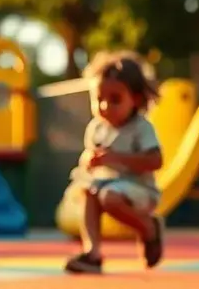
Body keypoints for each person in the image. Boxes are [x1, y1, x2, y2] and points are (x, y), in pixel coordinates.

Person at [64, 51, 165, 275]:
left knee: (108, 196)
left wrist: (116, 158)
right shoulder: (97, 127)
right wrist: (89, 161)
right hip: (108, 185)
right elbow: (89, 160)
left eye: (115, 100)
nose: (105, 107)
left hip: (141, 190)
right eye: (99, 99)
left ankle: (149, 227)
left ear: (135, 99)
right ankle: (92, 253)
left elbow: (156, 160)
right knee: (89, 192)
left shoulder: (141, 128)